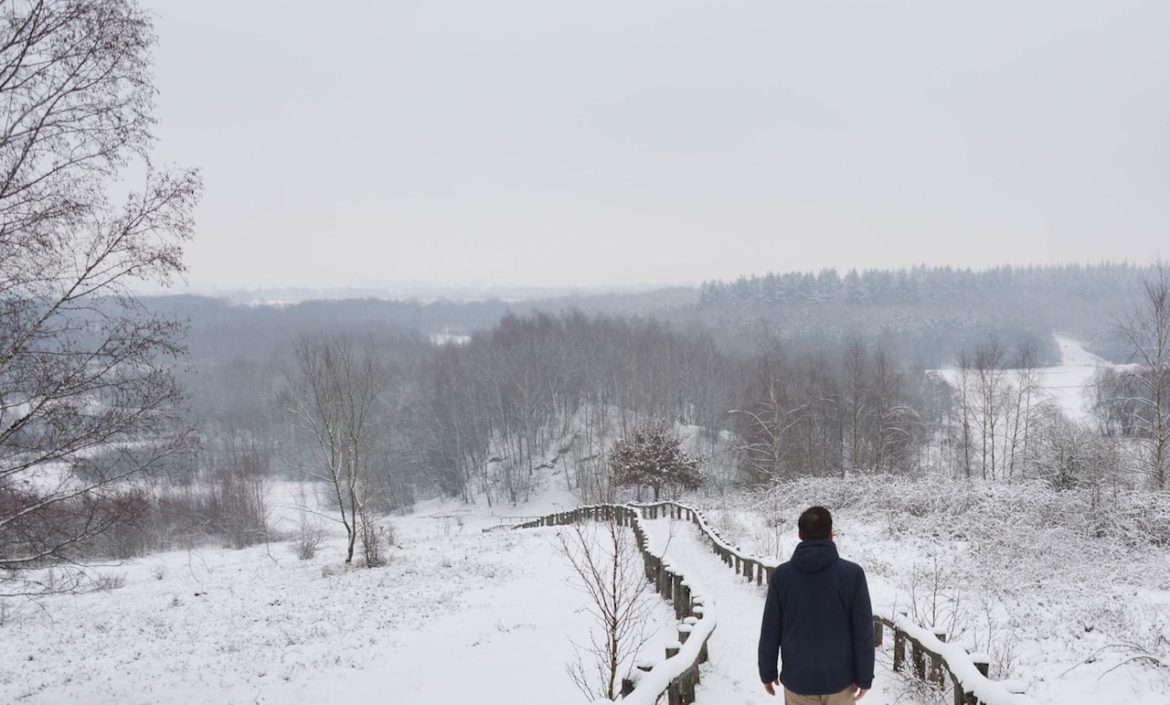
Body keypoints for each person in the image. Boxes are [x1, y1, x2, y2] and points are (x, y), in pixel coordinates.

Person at [757, 506, 874, 704]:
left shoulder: (782, 576)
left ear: (799, 534)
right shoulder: (853, 575)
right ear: (831, 534)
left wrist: (767, 672)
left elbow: (771, 629)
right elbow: (862, 632)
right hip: (841, 681)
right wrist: (864, 677)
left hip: (798, 680)